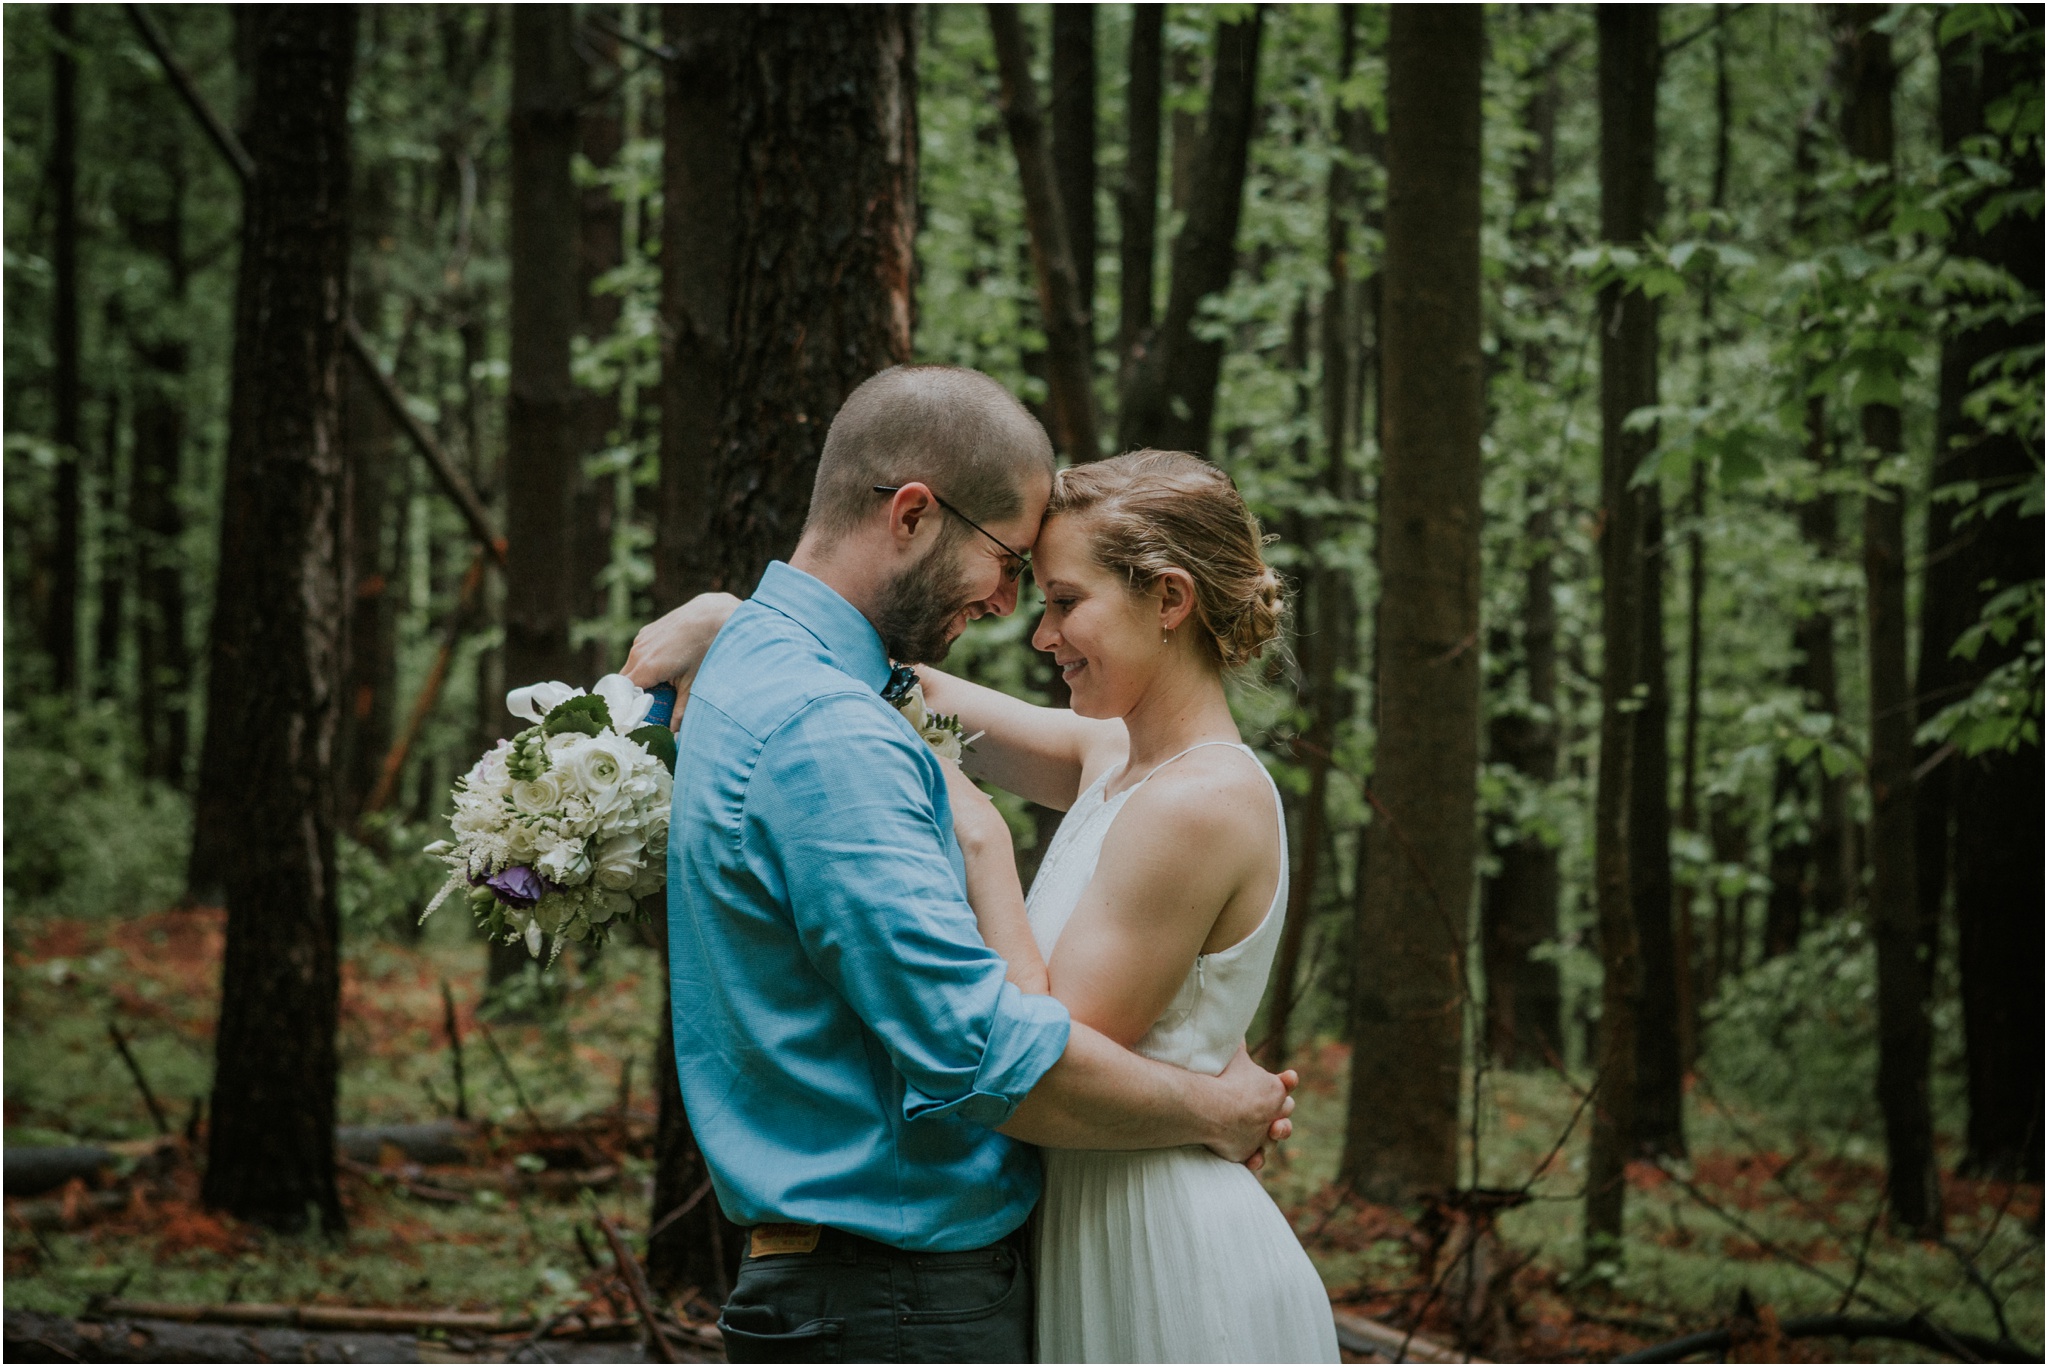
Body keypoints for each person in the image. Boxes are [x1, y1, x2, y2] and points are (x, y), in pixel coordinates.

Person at [624, 366, 1297, 1364]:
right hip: (966, 1262)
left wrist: (981, 841)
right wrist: (739, 615)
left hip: (1138, 1241)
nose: (1028, 623)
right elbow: (901, 689)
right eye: (1021, 574)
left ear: (1168, 600)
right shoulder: (1107, 753)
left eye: (1060, 595)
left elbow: (1039, 1058)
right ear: (911, 514)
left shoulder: (1196, 796)